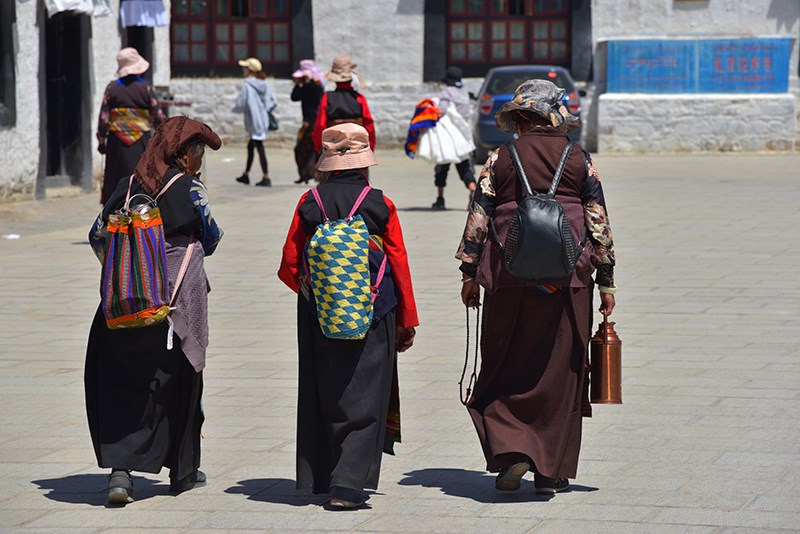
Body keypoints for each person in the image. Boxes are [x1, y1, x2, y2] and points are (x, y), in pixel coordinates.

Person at [456, 79, 617, 495]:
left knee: (506, 363)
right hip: (568, 280)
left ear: (523, 118)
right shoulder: (579, 158)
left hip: (509, 277)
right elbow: (597, 219)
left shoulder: (501, 157)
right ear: (553, 115)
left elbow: (479, 215)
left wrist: (470, 273)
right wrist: (607, 280)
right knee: (561, 370)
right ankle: (550, 472)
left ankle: (514, 453)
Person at [278, 123, 418, 509]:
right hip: (375, 310)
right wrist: (406, 317)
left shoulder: (309, 203)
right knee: (367, 392)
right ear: (364, 164)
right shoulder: (379, 203)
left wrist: (323, 296)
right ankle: (348, 485)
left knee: (324, 389)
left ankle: (321, 476)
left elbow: (290, 264)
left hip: (318, 312)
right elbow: (398, 262)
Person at [86, 116, 224, 504]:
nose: (199, 165)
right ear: (184, 156)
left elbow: (96, 235)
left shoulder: (126, 187)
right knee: (180, 383)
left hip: (123, 307)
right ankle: (183, 472)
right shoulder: (191, 189)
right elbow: (211, 237)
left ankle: (120, 476)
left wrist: (129, 274)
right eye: (198, 157)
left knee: (121, 384)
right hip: (173, 309)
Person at [96, 47, 165, 204]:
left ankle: (114, 213)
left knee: (116, 179)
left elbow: (104, 118)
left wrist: (101, 140)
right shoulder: (145, 88)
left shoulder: (112, 88)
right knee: (140, 178)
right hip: (141, 142)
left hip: (116, 143)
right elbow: (158, 116)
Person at [432, 66, 476, 210]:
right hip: (462, 138)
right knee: (465, 167)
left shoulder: (447, 92)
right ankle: (473, 190)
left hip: (447, 137)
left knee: (441, 167)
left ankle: (440, 199)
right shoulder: (464, 93)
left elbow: (443, 110)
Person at [311, 55, 375, 153]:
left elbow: (320, 125)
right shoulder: (360, 99)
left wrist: (319, 147)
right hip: (357, 151)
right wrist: (369, 148)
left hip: (333, 151)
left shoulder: (327, 98)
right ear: (351, 79)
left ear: (335, 80)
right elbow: (369, 126)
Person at [233, 57, 278, 187]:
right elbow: (272, 102)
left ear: (250, 70)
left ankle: (266, 176)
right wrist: (263, 110)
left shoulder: (247, 85)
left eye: (245, 67)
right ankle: (246, 174)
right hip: (262, 120)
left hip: (253, 121)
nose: (243, 69)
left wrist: (236, 109)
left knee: (259, 147)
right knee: (251, 146)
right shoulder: (264, 83)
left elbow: (241, 103)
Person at [290, 59, 325, 184]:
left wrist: (298, 84)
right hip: (318, 121)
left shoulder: (307, 87)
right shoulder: (319, 87)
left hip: (309, 122)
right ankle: (313, 173)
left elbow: (294, 97)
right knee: (315, 149)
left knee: (301, 149)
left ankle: (307, 173)